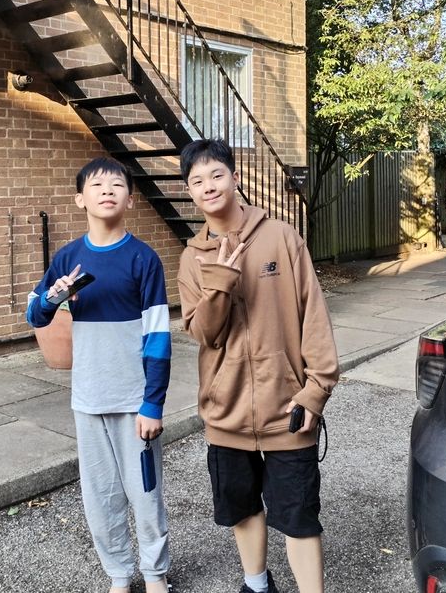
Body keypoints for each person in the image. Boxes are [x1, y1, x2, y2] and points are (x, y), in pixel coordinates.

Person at [176, 138, 339, 593]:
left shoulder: (281, 237)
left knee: (299, 515)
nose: (209, 186)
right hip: (226, 411)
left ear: (235, 178)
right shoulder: (192, 258)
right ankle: (257, 584)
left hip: (287, 407)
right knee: (242, 507)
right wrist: (221, 282)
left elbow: (313, 316)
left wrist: (316, 390)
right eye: (197, 181)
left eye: (216, 175)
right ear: (190, 191)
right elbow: (205, 334)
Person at [27, 156, 172, 593]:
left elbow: (158, 337)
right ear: (80, 199)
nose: (107, 190)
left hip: (134, 401)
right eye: (96, 185)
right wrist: (53, 298)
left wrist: (152, 402)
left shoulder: (143, 259)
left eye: (116, 185)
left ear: (130, 199)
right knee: (100, 496)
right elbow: (35, 315)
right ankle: (119, 574)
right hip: (88, 398)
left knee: (145, 493)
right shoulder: (68, 258)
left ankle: (155, 573)